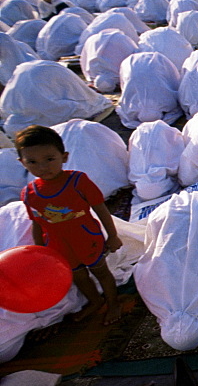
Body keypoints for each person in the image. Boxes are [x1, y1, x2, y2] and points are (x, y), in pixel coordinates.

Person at [15, 125, 122, 325]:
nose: (42, 167)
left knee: (101, 272)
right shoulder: (29, 194)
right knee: (78, 277)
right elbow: (37, 224)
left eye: (49, 159)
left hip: (86, 237)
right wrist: (40, 252)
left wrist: (113, 235)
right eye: (32, 162)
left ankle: (113, 303)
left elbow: (101, 209)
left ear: (64, 157)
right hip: (59, 245)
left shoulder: (78, 181)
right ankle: (95, 301)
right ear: (22, 163)